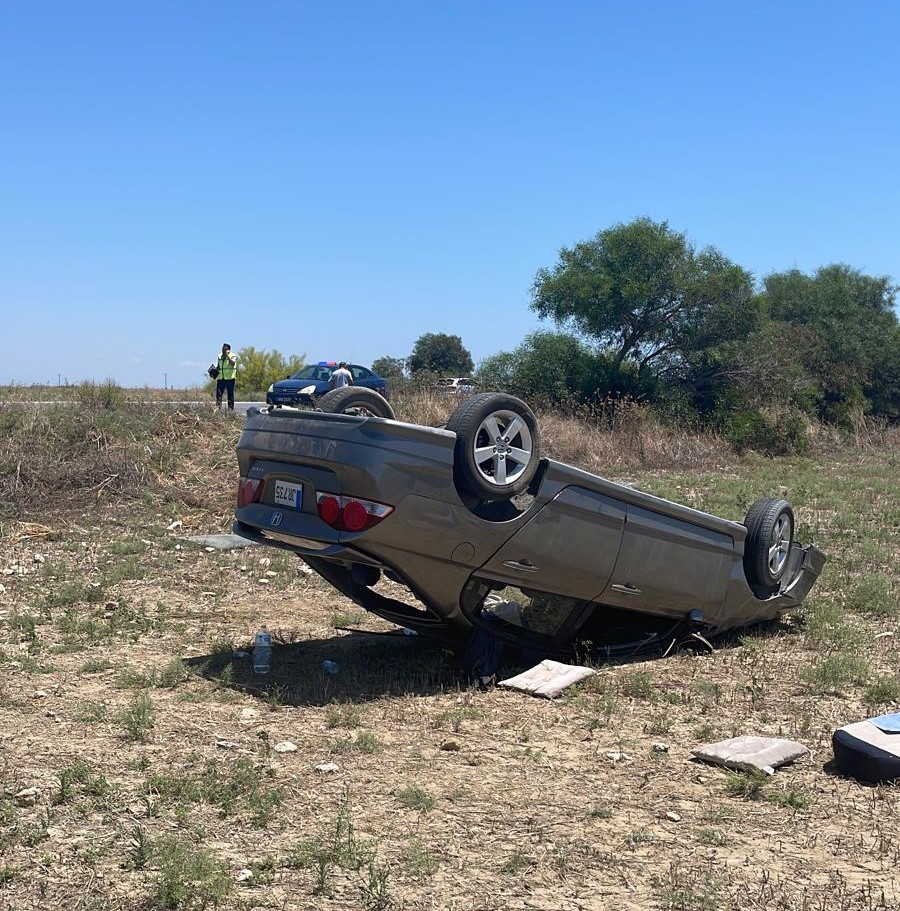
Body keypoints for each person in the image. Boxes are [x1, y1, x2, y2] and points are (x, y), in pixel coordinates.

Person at [215, 343, 237, 410]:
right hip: (221, 378)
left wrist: (227, 356)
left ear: (228, 350)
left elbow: (233, 363)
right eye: (222, 349)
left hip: (230, 378)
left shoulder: (233, 356)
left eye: (224, 350)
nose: (223, 351)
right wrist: (214, 372)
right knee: (218, 394)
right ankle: (218, 408)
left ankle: (230, 409)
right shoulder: (219, 356)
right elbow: (219, 366)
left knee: (230, 394)